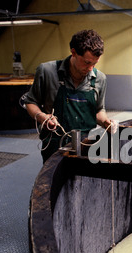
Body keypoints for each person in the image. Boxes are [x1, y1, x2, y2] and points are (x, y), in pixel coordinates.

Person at [21, 29, 115, 162]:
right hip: (55, 144)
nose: (90, 69)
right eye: (87, 62)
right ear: (74, 52)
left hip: (87, 144)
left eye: (94, 63)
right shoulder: (47, 72)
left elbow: (99, 110)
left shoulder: (100, 78)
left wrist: (106, 122)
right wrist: (42, 117)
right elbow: (30, 101)